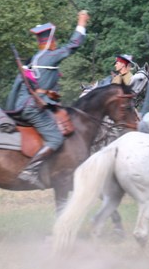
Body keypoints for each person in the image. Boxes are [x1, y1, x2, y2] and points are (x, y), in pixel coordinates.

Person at [6, 10, 90, 188]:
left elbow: (33, 88)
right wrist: (81, 22)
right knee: (56, 139)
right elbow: (73, 45)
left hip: (28, 104)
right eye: (55, 40)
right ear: (51, 40)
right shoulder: (49, 56)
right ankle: (31, 170)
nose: (57, 43)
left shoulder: (36, 58)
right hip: (33, 108)